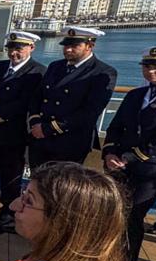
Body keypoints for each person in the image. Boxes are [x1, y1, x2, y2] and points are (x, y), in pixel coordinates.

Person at [103, 46, 156, 261]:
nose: (151, 71)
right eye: (147, 66)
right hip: (120, 166)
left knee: (133, 217)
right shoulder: (136, 95)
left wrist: (129, 157)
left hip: (150, 168)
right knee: (111, 212)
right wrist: (110, 152)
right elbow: (116, 127)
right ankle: (103, 259)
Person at [0, 32, 45, 217]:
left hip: (13, 133)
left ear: (31, 48)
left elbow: (25, 101)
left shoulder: (38, 72)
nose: (13, 53)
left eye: (19, 49)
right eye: (11, 48)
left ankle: (7, 209)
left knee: (10, 173)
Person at [27, 26, 117, 165]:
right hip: (40, 138)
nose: (68, 50)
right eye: (66, 45)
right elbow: (37, 96)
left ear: (90, 45)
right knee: (37, 181)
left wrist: (48, 128)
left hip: (70, 141)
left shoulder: (102, 72)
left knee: (62, 184)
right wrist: (35, 122)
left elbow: (90, 111)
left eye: (75, 46)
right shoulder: (55, 66)